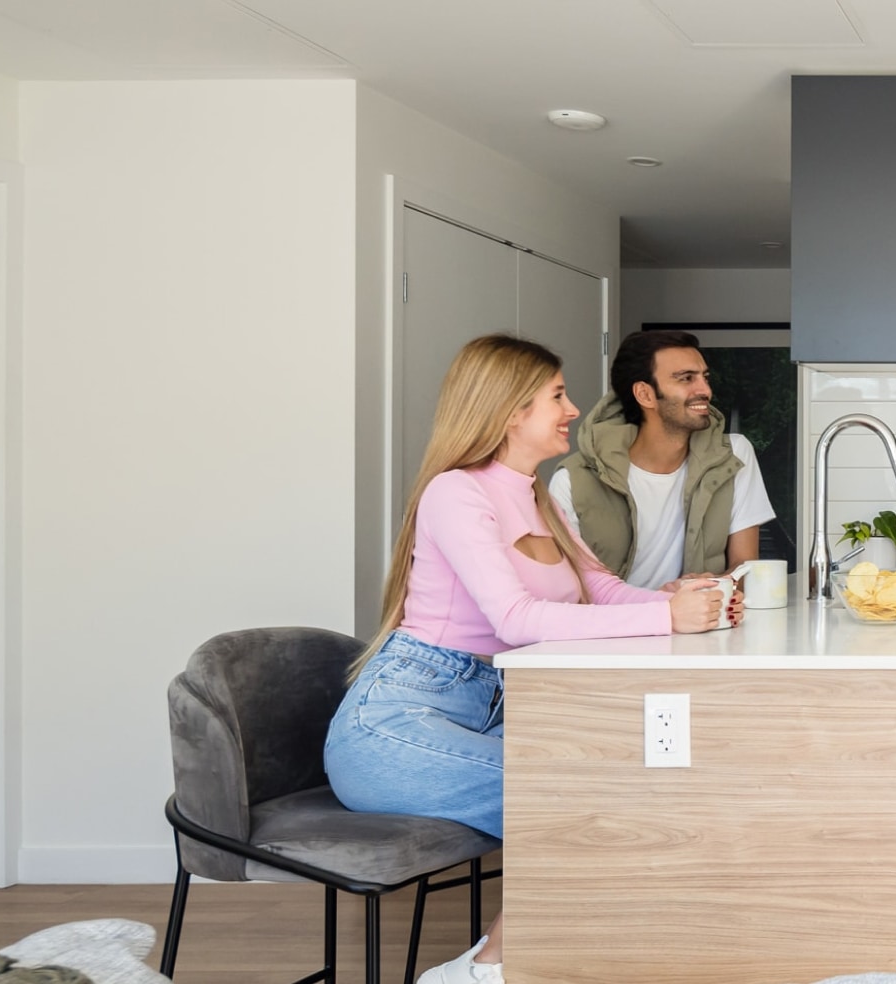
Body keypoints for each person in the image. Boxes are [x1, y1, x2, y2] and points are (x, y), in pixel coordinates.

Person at [323, 334, 737, 984]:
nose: (573, 409)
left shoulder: (535, 492)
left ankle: (554, 960)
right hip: (397, 724)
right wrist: (663, 618)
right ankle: (486, 969)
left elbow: (597, 587)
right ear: (510, 410)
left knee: (637, 780)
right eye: (556, 396)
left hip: (487, 710)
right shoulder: (456, 494)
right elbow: (513, 619)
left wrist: (674, 597)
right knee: (574, 795)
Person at [544, 330, 774, 587]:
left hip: (704, 622)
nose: (705, 390)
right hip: (619, 626)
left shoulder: (733, 455)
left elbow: (745, 568)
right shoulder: (574, 481)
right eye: (686, 378)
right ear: (645, 394)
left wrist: (709, 586)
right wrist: (659, 606)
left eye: (704, 377)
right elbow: (570, 592)